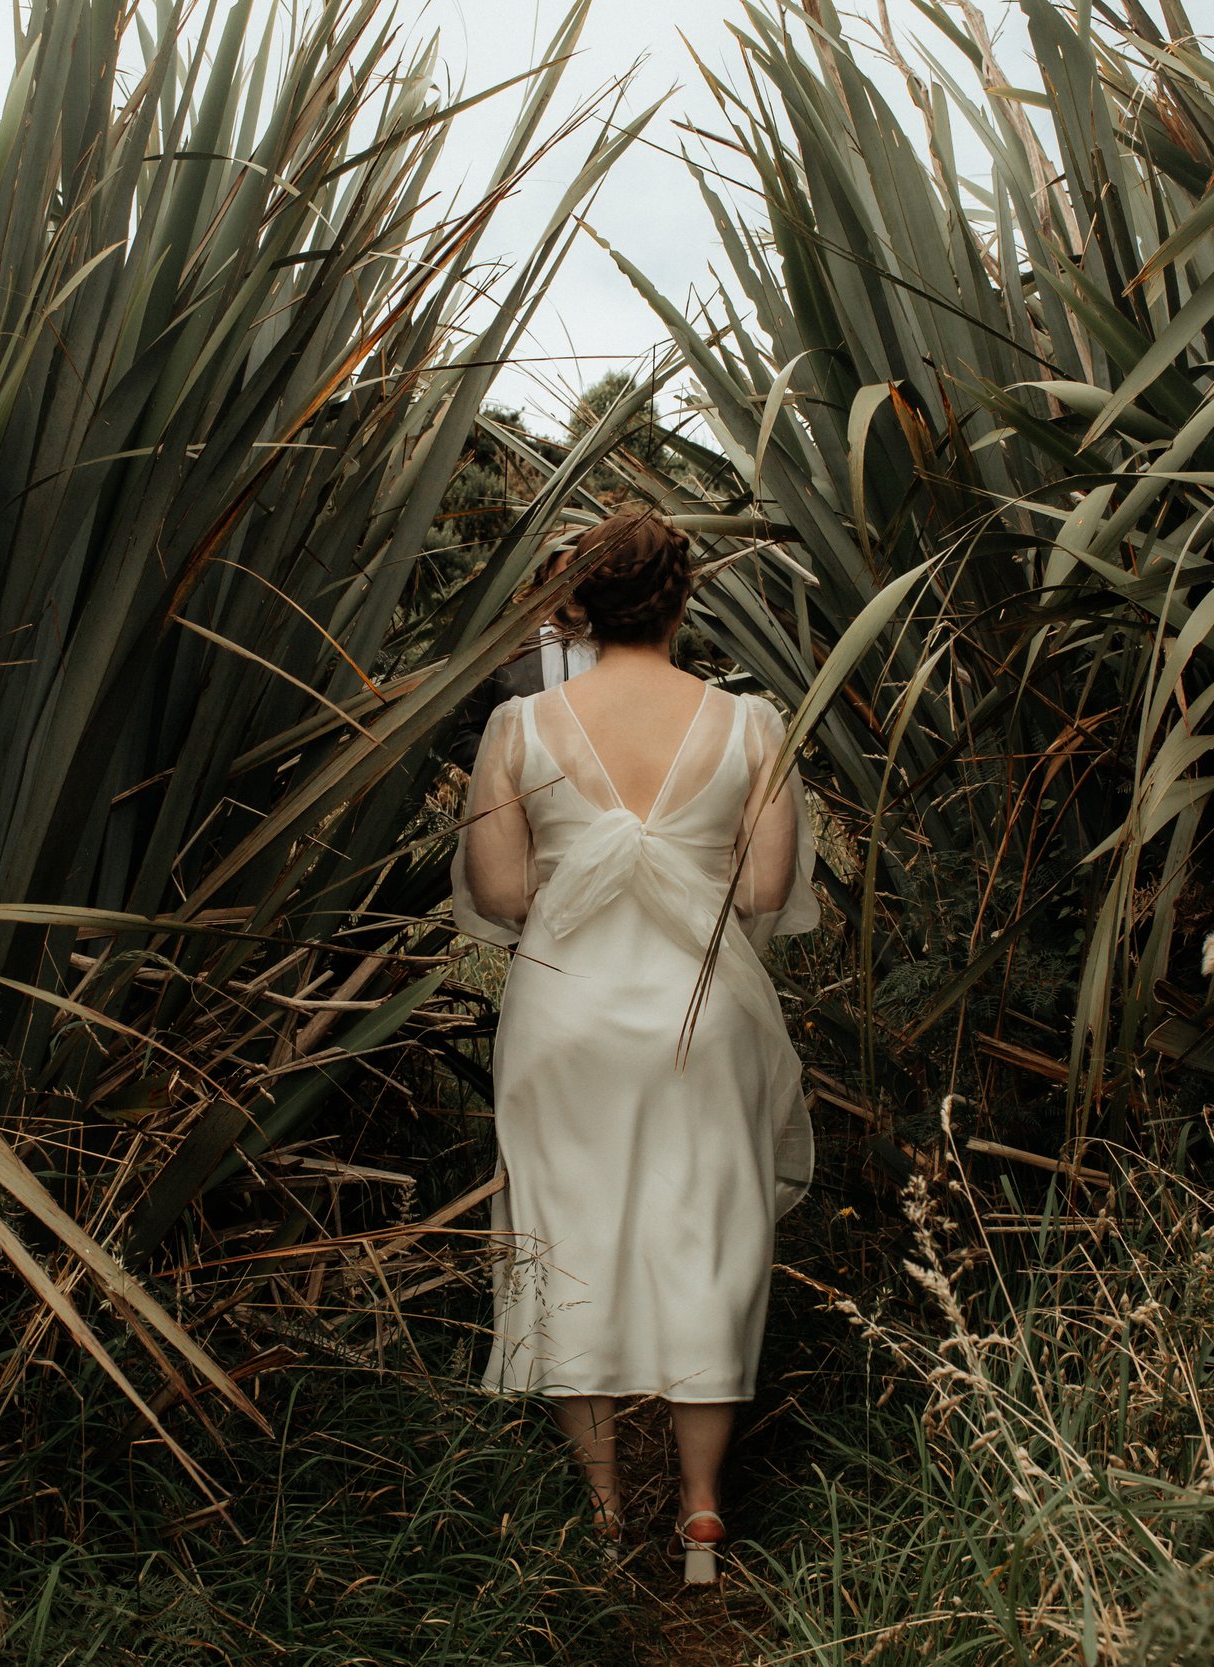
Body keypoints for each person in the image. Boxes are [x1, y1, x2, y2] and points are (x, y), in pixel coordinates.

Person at [449, 510, 818, 1585]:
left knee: (568, 1234)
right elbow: (761, 891)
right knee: (706, 1232)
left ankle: (604, 1509)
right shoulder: (754, 727)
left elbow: (501, 893)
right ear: (683, 595)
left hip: (565, 1016)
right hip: (703, 1020)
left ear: (572, 602)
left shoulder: (519, 728)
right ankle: (702, 1515)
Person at [441, 537, 599, 772]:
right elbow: (461, 735)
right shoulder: (502, 644)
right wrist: (512, 781)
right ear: (547, 576)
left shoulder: (613, 647)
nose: (577, 588)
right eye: (568, 575)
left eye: (587, 576)